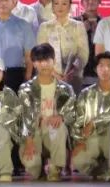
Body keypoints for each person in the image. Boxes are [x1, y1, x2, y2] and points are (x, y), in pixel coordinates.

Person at [70, 51, 110, 181]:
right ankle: (100, 169)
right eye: (101, 66)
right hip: (92, 138)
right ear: (95, 69)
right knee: (79, 160)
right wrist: (79, 140)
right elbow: (78, 120)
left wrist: (94, 122)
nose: (105, 69)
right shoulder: (86, 93)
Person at [18, 43, 74, 180]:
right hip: (34, 133)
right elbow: (23, 117)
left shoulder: (65, 89)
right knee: (33, 166)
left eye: (47, 60)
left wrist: (61, 116)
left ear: (54, 61)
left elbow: (72, 113)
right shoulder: (26, 89)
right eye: (39, 61)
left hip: (53, 133)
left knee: (59, 126)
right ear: (34, 64)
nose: (44, 65)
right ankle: (39, 167)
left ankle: (55, 168)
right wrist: (29, 141)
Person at [36, 0, 89, 93]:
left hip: (73, 78)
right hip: (49, 76)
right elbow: (41, 55)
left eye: (64, 4)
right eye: (56, 3)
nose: (60, 7)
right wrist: (55, 74)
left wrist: (72, 71)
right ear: (52, 6)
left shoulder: (78, 26)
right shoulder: (45, 27)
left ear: (70, 6)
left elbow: (83, 54)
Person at [78, 0, 103, 87]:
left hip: (100, 75)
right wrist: (81, 31)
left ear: (100, 1)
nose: (91, 1)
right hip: (78, 75)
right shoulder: (74, 23)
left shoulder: (105, 23)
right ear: (81, 1)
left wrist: (100, 33)